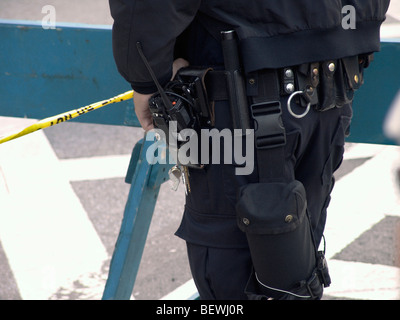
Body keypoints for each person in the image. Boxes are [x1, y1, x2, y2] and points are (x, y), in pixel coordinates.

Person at [109, 0, 390, 300]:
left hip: (244, 93)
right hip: (331, 85)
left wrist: (147, 77)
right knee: (293, 276)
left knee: (235, 280)